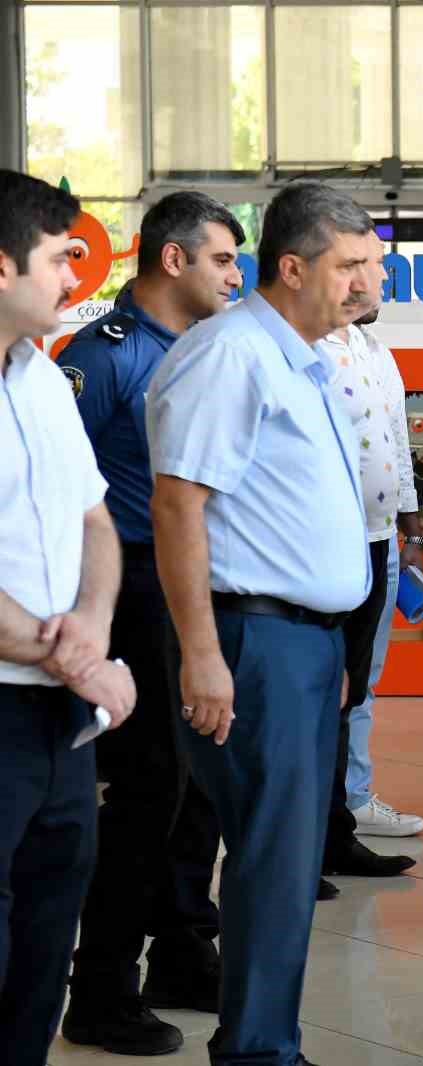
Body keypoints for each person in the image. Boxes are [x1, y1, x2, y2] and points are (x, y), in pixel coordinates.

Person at [145, 181, 377, 1066]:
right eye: (349, 266)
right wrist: (204, 655)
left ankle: (265, 1040)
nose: (366, 283)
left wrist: (327, 640)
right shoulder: (234, 354)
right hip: (252, 637)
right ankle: (256, 1052)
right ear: (293, 267)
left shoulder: (300, 358)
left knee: (286, 859)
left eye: (370, 265)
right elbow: (179, 504)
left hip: (300, 641)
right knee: (271, 858)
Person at [55, 191, 243, 1057]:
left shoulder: (207, 350)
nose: (234, 277)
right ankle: (101, 988)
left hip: (194, 585)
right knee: (146, 790)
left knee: (199, 782)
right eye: (222, 260)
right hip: (130, 586)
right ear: (174, 259)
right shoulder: (106, 356)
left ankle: (183, 951)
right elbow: (54, 486)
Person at [0, 169, 138, 1066]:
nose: (74, 278)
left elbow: (95, 520)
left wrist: (92, 618)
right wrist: (79, 660)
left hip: (61, 718)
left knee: (47, 938)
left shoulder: (43, 380)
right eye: (59, 258)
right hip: (10, 701)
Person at [316, 232, 423, 903]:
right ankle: (310, 840)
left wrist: (412, 527)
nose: (380, 281)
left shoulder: (373, 351)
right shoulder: (308, 350)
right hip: (327, 546)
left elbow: (395, 446)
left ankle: (340, 828)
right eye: (367, 267)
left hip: (380, 539)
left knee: (357, 687)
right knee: (320, 696)